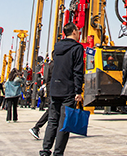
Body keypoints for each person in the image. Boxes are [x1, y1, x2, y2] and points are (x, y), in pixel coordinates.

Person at [39, 23, 84, 156]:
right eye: (78, 30)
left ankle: (45, 150)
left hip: (55, 88)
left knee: (52, 120)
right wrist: (78, 91)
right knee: (64, 122)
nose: (79, 33)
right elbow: (77, 71)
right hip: (68, 89)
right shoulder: (77, 48)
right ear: (74, 32)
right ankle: (58, 153)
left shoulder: (57, 47)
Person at [29, 60, 53, 139]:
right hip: (55, 91)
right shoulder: (55, 65)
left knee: (53, 110)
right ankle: (37, 127)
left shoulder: (51, 65)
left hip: (53, 90)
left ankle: (37, 128)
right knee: (52, 110)